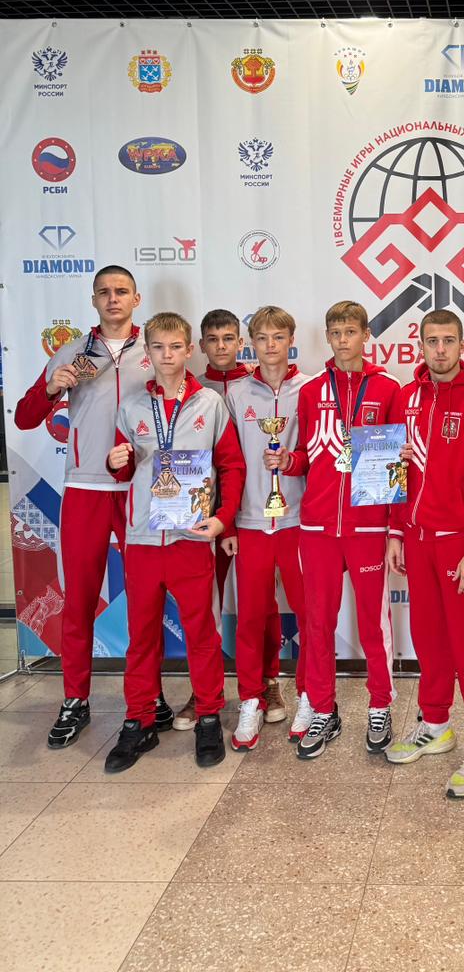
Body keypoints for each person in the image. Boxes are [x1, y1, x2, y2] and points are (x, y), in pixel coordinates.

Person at [13, 266, 174, 747]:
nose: (113, 298)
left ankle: (150, 694)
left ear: (136, 299)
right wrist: (51, 388)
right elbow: (24, 418)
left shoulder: (156, 349)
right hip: (85, 488)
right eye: (104, 292)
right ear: (93, 300)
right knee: (79, 598)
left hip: (142, 489)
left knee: (146, 599)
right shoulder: (71, 353)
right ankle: (75, 698)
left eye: (121, 291)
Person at [103, 312, 245, 772]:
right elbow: (124, 469)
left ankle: (208, 716)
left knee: (201, 633)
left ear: (189, 350)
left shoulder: (210, 403)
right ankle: (139, 720)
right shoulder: (132, 406)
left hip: (191, 537)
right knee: (142, 637)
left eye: (176, 346)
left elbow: (231, 465)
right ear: (148, 352)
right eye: (159, 347)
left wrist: (222, 519)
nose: (167, 355)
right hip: (144, 540)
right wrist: (117, 462)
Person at [269, 300, 401, 760]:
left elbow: (396, 466)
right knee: (318, 622)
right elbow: (307, 456)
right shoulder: (311, 391)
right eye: (336, 332)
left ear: (366, 335)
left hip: (367, 525)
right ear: (327, 337)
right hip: (317, 525)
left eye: (351, 332)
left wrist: (394, 529)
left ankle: (380, 704)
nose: (343, 340)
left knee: (373, 625)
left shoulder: (388, 388)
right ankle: (323, 709)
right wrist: (288, 461)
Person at [384, 310, 464, 798]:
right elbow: (397, 472)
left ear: (462, 346)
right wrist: (396, 531)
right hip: (416, 537)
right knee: (428, 639)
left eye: (448, 341)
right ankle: (435, 724)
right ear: (420, 346)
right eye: (431, 341)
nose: (439, 350)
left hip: (459, 540)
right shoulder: (407, 398)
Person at [172, 310, 284, 731]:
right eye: (213, 339)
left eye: (228, 338)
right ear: (201, 345)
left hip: (253, 512)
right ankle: (204, 690)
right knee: (204, 606)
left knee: (262, 604)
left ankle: (268, 682)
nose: (221, 346)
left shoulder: (256, 387)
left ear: (241, 343)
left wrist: (233, 519)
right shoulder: (188, 390)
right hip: (201, 517)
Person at [223, 306, 312, 750]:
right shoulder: (236, 393)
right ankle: (250, 699)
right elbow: (227, 462)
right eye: (262, 338)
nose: (271, 345)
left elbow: (321, 452)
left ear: (291, 340)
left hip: (299, 521)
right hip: (251, 522)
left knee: (311, 615)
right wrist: (227, 522)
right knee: (251, 618)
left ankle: (312, 696)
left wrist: (292, 461)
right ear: (250, 344)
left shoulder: (311, 389)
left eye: (279, 337)